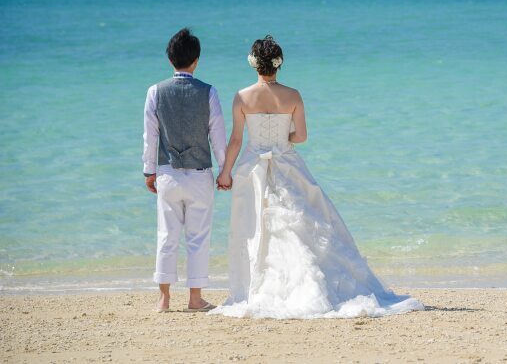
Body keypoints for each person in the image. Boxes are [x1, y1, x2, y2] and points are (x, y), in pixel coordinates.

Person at [210, 35, 423, 319]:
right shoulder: (293, 95)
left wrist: (225, 172)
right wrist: (282, 139)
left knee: (256, 229)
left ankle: (257, 288)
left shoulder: (242, 96)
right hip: (288, 162)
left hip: (253, 169)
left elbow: (236, 139)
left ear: (254, 64)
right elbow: (302, 135)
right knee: (302, 223)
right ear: (278, 64)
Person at [142, 28, 227, 312]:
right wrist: (225, 170)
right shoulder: (208, 92)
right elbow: (217, 136)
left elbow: (150, 136)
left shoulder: (155, 91)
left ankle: (164, 299)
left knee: (166, 235)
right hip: (200, 173)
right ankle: (195, 298)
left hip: (167, 172)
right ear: (196, 60)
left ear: (170, 59)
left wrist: (148, 171)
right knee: (197, 238)